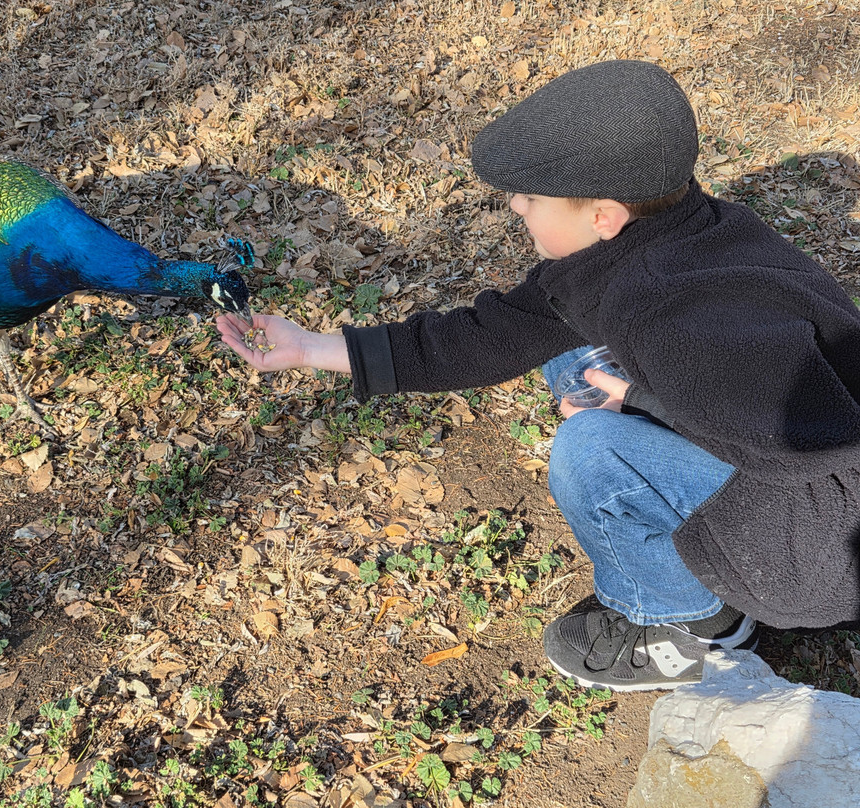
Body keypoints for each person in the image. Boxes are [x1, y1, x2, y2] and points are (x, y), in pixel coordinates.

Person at [217, 60, 860, 692]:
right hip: (775, 460)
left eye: (529, 199)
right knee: (568, 353)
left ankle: (693, 624)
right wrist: (309, 348)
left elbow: (798, 445)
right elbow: (493, 336)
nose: (517, 208)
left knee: (589, 452)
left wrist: (639, 403)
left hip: (815, 538)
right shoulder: (666, 241)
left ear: (604, 215)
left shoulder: (677, 317)